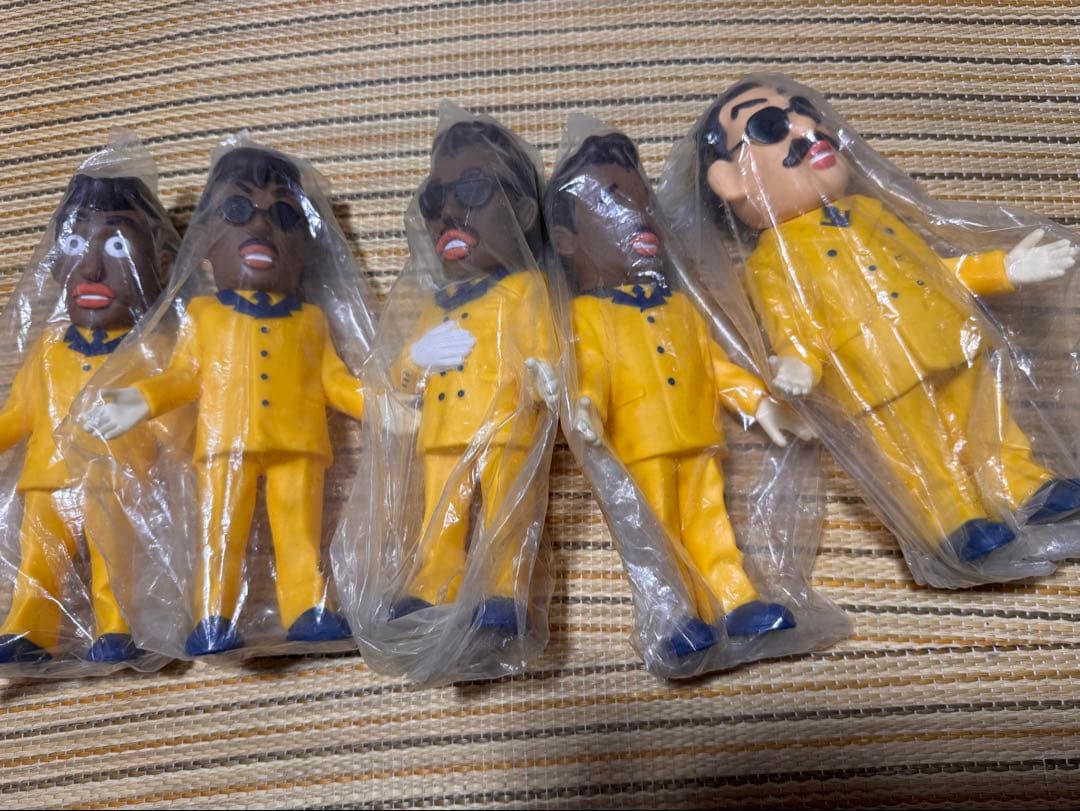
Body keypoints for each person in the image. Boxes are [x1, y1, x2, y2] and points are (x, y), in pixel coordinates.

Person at [694, 77, 1079, 576]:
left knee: (988, 418)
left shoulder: (871, 211)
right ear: (730, 180)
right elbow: (793, 323)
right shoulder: (771, 261)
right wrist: (799, 365)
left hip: (945, 333)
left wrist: (1003, 269)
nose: (806, 127)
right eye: (771, 126)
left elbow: (933, 270)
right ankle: (953, 520)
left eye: (805, 110)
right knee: (916, 448)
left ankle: (1022, 483)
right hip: (873, 368)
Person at [82, 147, 365, 656]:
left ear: (305, 247)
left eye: (283, 216)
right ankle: (212, 614)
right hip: (223, 444)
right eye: (237, 211)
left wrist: (386, 407)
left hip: (300, 446)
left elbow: (337, 381)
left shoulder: (312, 321)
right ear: (207, 242)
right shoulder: (203, 316)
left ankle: (308, 606)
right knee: (220, 534)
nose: (259, 226)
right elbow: (182, 376)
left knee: (301, 535)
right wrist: (141, 400)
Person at [547, 131, 809, 656]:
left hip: (698, 435)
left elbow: (715, 366)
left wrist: (759, 402)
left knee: (712, 521)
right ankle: (673, 617)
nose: (639, 216)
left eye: (644, 202)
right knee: (655, 532)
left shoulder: (682, 307)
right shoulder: (585, 315)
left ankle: (736, 599)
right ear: (566, 239)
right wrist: (585, 406)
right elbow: (590, 369)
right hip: (639, 445)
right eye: (612, 201)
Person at [387, 119, 558, 634]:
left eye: (472, 191)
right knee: (438, 516)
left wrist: (547, 374)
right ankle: (434, 581)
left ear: (523, 212)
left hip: (505, 424)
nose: (447, 213)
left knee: (507, 509)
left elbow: (546, 346)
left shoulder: (526, 289)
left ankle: (505, 587)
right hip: (441, 432)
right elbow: (400, 378)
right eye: (433, 200)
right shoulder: (435, 304)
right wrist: (416, 359)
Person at [0, 173, 173, 663]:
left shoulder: (152, 351)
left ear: (159, 268)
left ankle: (116, 628)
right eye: (75, 245)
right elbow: (19, 414)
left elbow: (176, 420)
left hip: (115, 481)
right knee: (38, 561)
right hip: (47, 480)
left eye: (118, 247)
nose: (92, 267)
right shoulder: (48, 347)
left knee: (113, 559)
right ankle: (31, 630)